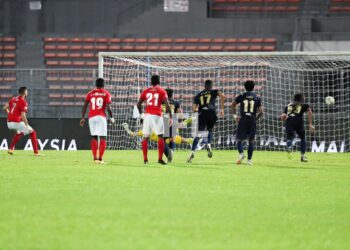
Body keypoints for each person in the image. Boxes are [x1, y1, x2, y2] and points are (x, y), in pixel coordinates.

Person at [136, 75, 172, 165]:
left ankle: (145, 160)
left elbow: (138, 104)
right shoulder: (162, 91)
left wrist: (141, 115)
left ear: (151, 82)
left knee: (145, 137)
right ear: (159, 82)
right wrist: (170, 117)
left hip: (148, 116)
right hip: (158, 116)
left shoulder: (146, 91)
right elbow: (167, 105)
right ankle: (160, 159)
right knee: (160, 137)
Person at [187, 79, 225, 163]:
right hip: (211, 113)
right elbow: (222, 96)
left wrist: (197, 112)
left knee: (198, 134)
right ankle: (208, 144)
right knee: (210, 129)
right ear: (211, 86)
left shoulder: (198, 95)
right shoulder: (214, 91)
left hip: (202, 114)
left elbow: (194, 108)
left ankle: (192, 152)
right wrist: (222, 109)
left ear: (204, 86)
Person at [80, 78, 114, 164]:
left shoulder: (90, 93)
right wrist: (112, 117)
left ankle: (95, 158)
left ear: (96, 84)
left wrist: (83, 117)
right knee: (103, 137)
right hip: (101, 116)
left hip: (91, 117)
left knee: (94, 137)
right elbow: (108, 107)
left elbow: (85, 105)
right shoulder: (106, 93)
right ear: (103, 85)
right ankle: (100, 159)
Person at [231, 80, 263, 165]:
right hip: (252, 120)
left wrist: (235, 117)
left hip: (243, 119)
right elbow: (261, 112)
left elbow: (232, 105)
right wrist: (255, 119)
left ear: (245, 87)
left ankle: (241, 154)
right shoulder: (257, 97)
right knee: (251, 141)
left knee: (238, 139)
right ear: (253, 87)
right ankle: (249, 160)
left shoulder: (241, 96)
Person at [3, 86, 41, 156]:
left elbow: (4, 108)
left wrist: (9, 114)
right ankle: (36, 153)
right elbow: (23, 116)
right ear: (25, 93)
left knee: (20, 132)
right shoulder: (23, 102)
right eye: (27, 91)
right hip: (15, 123)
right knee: (32, 132)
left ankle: (11, 149)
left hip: (9, 123)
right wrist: (27, 126)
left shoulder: (13, 98)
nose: (27, 92)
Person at [280, 93, 315, 162]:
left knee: (289, 138)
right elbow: (310, 112)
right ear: (301, 98)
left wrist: (283, 119)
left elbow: (282, 116)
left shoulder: (288, 105)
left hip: (289, 121)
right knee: (302, 138)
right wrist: (310, 124)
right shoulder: (304, 105)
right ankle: (303, 156)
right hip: (298, 121)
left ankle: (289, 147)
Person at [162, 88, 182, 162]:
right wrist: (180, 122)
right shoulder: (176, 103)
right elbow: (179, 112)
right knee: (172, 138)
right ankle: (172, 151)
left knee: (162, 141)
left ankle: (168, 154)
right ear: (172, 95)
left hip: (164, 121)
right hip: (173, 120)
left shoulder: (162, 102)